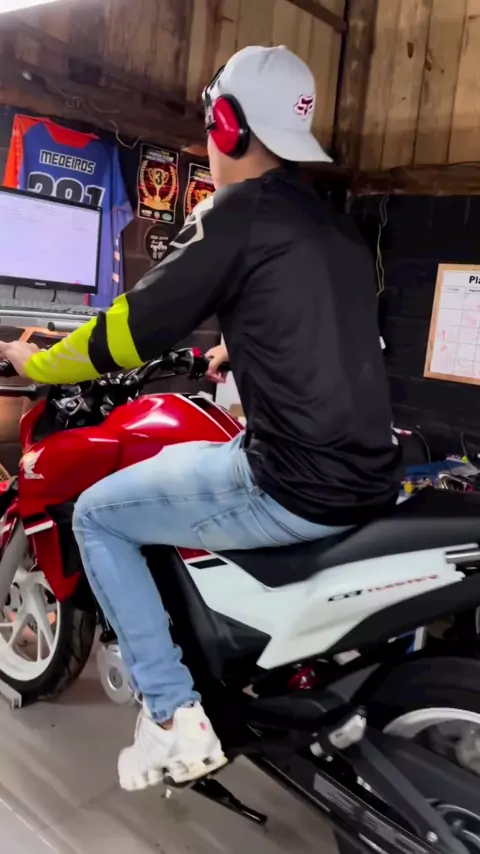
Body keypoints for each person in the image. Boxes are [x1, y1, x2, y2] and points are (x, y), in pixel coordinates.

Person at [0, 45, 401, 792]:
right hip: (368, 476)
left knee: (99, 514)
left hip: (290, 482)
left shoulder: (234, 214)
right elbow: (320, 333)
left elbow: (130, 330)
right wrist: (234, 351)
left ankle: (170, 716)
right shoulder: (335, 228)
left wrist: (40, 362)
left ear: (227, 125)